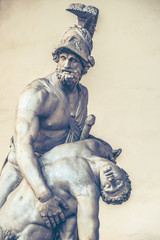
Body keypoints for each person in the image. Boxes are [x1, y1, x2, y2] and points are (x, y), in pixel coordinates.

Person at [0, 4, 100, 226]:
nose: (66, 64)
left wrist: (100, 149)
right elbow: (24, 147)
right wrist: (43, 196)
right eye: (63, 57)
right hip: (23, 170)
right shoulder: (37, 94)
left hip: (58, 170)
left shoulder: (83, 93)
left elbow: (74, 138)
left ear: (85, 66)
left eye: (74, 60)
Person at [0, 139, 131, 240]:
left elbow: (89, 227)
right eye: (118, 182)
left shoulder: (87, 189)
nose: (111, 180)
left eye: (108, 187)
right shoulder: (94, 146)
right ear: (122, 171)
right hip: (5, 218)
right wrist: (108, 151)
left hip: (26, 234)